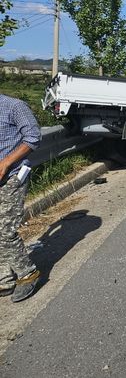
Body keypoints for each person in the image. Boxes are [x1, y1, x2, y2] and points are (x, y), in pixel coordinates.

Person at [0, 93, 42, 303]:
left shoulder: (14, 106)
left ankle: (27, 273)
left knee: (4, 230)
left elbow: (33, 137)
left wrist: (6, 162)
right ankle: (5, 278)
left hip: (12, 176)